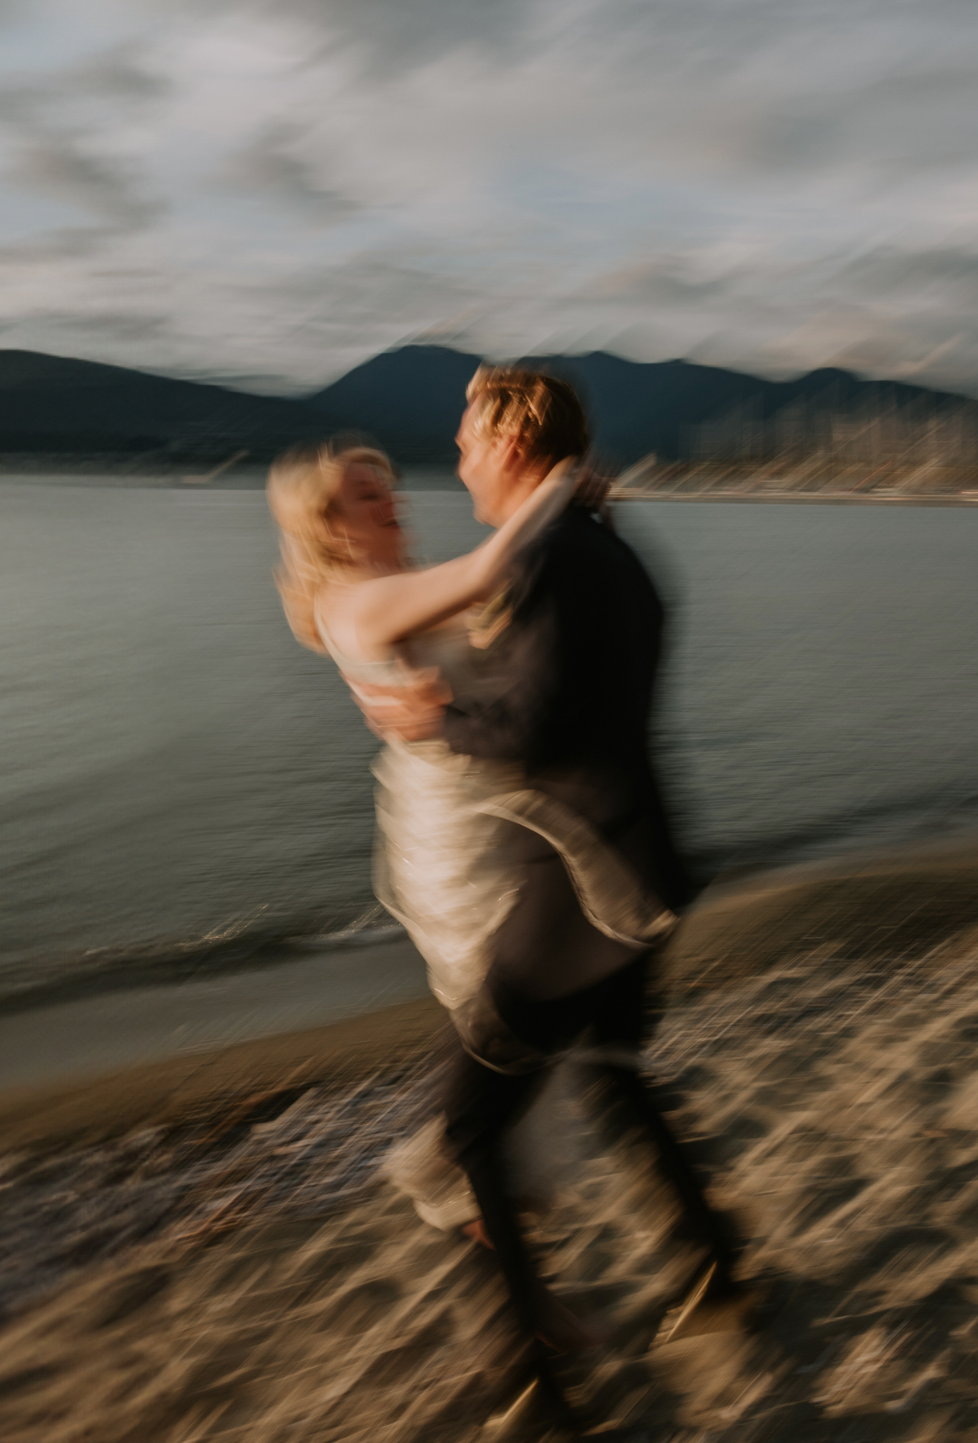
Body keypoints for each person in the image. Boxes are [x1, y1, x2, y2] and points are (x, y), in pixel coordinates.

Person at [428, 365, 745, 1431]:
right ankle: (715, 1263)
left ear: (514, 438)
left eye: (470, 435)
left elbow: (540, 722)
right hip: (647, 863)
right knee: (613, 1074)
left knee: (468, 1127)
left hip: (583, 894)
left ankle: (532, 1377)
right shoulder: (610, 545)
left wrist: (434, 714)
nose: (461, 455)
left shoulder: (552, 551)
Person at [267, 435, 581, 1230]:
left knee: (514, 1043)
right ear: (331, 527)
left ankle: (508, 1244)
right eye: (368, 497)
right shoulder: (356, 602)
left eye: (389, 488)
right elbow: (487, 573)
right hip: (458, 836)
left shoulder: (397, 585)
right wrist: (562, 478)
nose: (393, 501)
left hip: (497, 810)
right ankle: (463, 1188)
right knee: (505, 1035)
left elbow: (499, 614)